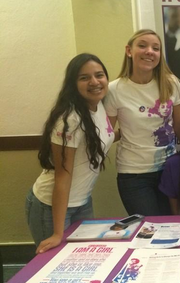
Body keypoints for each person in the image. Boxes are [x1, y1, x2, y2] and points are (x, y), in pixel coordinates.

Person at [26, 53, 115, 254]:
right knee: (54, 266)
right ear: (73, 84)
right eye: (84, 78)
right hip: (52, 207)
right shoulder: (70, 119)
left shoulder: (98, 105)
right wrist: (58, 233)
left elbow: (100, 138)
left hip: (82, 201)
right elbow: (63, 175)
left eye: (99, 75)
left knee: (84, 262)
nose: (94, 82)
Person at [104, 29, 180, 216]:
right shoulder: (114, 90)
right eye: (142, 45)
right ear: (129, 51)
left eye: (155, 48)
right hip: (134, 175)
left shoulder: (171, 83)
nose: (150, 51)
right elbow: (106, 133)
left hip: (170, 169)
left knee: (174, 226)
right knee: (149, 229)